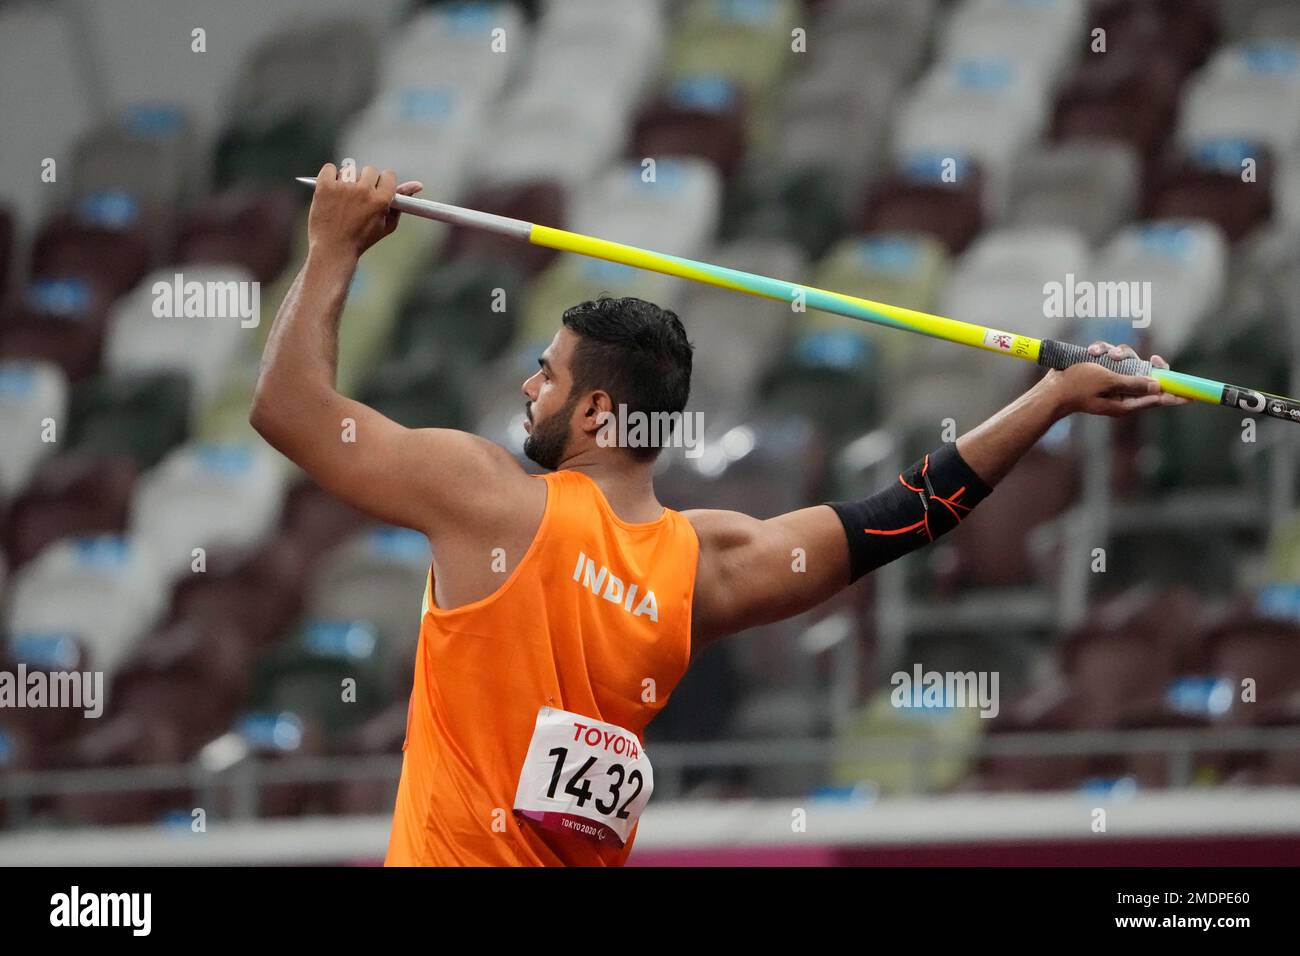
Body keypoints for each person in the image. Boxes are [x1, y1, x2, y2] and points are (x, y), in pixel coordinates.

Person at [250, 164, 1191, 865]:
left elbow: (287, 408)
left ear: (596, 413)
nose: (527, 384)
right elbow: (905, 516)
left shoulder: (488, 496)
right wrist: (1052, 399)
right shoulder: (709, 562)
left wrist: (333, 245)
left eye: (547, 371)